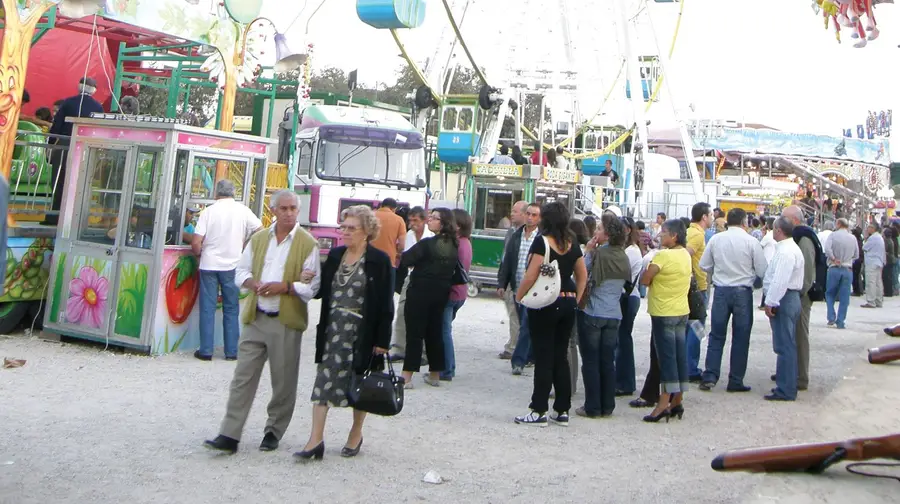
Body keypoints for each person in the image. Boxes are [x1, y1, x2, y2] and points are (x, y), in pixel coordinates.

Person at [202, 190, 320, 454]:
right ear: (273, 211)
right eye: (284, 208)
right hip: (256, 317)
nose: (289, 213)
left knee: (283, 381)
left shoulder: (307, 243)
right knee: (242, 378)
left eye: (293, 209)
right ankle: (229, 434)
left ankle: (273, 431)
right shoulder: (258, 239)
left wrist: (286, 286)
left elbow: (312, 288)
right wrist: (252, 283)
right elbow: (239, 271)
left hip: (286, 320)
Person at [294, 205, 393, 461]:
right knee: (323, 382)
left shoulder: (379, 261)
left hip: (363, 331)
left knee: (360, 383)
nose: (345, 232)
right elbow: (321, 292)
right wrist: (306, 279)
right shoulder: (336, 255)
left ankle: (355, 433)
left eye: (351, 228)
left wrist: (382, 340)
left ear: (366, 232)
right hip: (333, 328)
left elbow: (385, 304)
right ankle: (315, 439)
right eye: (344, 227)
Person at [514, 202, 587, 426]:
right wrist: (576, 298)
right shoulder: (571, 242)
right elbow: (582, 274)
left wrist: (520, 296)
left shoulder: (542, 241)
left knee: (543, 356)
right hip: (567, 301)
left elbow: (531, 274)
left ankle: (538, 409)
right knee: (560, 355)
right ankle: (562, 409)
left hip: (546, 302)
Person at [192, 180, 263, 361]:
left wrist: (199, 255)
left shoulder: (208, 212)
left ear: (216, 193)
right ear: (234, 193)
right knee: (231, 308)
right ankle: (231, 351)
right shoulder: (243, 210)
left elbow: (196, 242)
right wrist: (246, 246)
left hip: (209, 265)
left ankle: (206, 351)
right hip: (233, 265)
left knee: (207, 308)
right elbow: (261, 229)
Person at [698, 208, 767, 393]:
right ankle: (735, 380)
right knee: (741, 337)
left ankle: (710, 375)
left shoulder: (716, 239)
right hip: (743, 292)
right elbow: (762, 269)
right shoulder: (751, 241)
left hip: (721, 290)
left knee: (717, 335)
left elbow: (704, 265)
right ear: (744, 221)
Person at [577, 214, 630, 418]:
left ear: (606, 234)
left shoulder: (598, 254)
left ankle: (592, 406)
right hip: (613, 313)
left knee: (591, 360)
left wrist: (588, 250)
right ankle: (608, 404)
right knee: (608, 360)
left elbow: (580, 273)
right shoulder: (622, 255)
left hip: (594, 310)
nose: (595, 232)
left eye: (599, 229)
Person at [399, 208, 459, 387]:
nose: (429, 221)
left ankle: (407, 376)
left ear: (443, 223)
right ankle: (435, 373)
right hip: (441, 292)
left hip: (420, 292)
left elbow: (406, 259)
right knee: (435, 333)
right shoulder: (454, 245)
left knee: (415, 334)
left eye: (434, 218)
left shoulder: (427, 244)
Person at [639, 219, 691, 423]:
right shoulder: (685, 254)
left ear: (674, 236)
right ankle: (677, 399)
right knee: (679, 356)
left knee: (666, 358)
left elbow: (645, 278)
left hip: (663, 311)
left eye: (664, 232)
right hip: (681, 310)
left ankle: (663, 403)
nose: (660, 236)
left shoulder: (663, 255)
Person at [46, 77, 105, 223]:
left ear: (79, 86)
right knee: (79, 183)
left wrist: (51, 144)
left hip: (65, 144)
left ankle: (53, 216)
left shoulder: (68, 102)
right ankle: (74, 220)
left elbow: (57, 126)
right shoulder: (98, 107)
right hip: (85, 147)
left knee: (59, 180)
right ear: (94, 90)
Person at [762, 217, 805, 402]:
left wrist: (770, 301)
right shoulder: (791, 248)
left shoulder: (786, 252)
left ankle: (786, 388)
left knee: (784, 345)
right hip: (789, 298)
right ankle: (787, 383)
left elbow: (780, 280)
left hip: (784, 299)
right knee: (787, 344)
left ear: (778, 230)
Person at [780, 205, 818, 392]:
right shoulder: (798, 237)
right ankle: (790, 370)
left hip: (801, 296)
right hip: (796, 293)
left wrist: (800, 291)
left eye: (784, 218)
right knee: (791, 334)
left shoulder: (804, 238)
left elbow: (807, 270)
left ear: (794, 220)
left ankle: (801, 376)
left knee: (800, 335)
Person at [501, 203, 542, 374]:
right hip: (517, 286)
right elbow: (508, 260)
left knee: (526, 325)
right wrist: (502, 283)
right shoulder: (516, 235)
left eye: (534, 215)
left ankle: (518, 361)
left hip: (534, 290)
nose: (530, 218)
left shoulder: (541, 238)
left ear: (539, 218)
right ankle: (530, 356)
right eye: (529, 214)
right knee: (525, 323)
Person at [391, 206, 433, 360]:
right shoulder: (409, 235)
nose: (412, 223)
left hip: (427, 279)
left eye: (416, 220)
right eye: (410, 220)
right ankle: (400, 347)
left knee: (423, 316)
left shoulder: (431, 235)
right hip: (411, 277)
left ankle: (422, 352)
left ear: (424, 220)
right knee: (402, 311)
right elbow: (407, 259)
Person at [440, 209, 473, 381]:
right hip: (461, 293)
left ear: (458, 226)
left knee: (444, 331)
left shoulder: (455, 244)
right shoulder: (466, 243)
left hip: (450, 293)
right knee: (445, 330)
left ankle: (446, 369)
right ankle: (446, 367)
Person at [616, 216, 643, 396]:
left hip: (628, 298)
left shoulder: (631, 252)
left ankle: (625, 382)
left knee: (623, 339)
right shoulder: (627, 250)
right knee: (622, 339)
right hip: (625, 297)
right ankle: (623, 381)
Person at [497, 201, 528, 360]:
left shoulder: (532, 235)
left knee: (518, 315)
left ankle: (514, 346)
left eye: (515, 211)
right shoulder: (511, 232)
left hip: (525, 282)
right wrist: (501, 281)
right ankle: (515, 343)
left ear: (524, 214)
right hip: (512, 280)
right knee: (513, 313)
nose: (512, 214)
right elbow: (505, 258)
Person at [685, 202, 712, 383]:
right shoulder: (697, 235)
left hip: (692, 286)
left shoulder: (689, 231)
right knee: (697, 328)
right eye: (710, 215)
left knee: (690, 328)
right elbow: (685, 254)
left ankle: (688, 365)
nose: (712, 218)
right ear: (704, 217)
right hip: (698, 288)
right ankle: (690, 368)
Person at [823, 218, 858, 329]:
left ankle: (831, 317)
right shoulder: (853, 238)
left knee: (830, 293)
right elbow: (856, 254)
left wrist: (834, 258)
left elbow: (827, 249)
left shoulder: (833, 236)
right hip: (847, 269)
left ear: (838, 224)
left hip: (834, 268)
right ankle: (841, 321)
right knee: (844, 297)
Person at [370, 198, 407, 269]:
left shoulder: (370, 216)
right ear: (394, 209)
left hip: (369, 258)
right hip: (389, 259)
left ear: (381, 206)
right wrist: (397, 252)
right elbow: (402, 245)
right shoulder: (399, 220)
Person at [862, 221, 885, 308]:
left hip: (872, 262)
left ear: (873, 228)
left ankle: (871, 301)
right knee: (878, 283)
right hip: (878, 262)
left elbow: (864, 247)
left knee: (871, 282)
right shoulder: (879, 237)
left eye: (869, 227)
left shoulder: (873, 238)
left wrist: (866, 238)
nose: (867, 229)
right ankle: (879, 300)